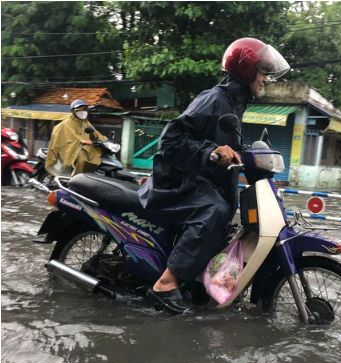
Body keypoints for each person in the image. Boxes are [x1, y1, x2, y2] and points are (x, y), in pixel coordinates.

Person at [138, 37, 290, 314]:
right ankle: (165, 284)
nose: (266, 79)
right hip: (175, 182)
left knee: (229, 217)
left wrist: (248, 156)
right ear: (246, 71)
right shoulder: (214, 99)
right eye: (262, 72)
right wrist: (210, 152)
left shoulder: (235, 104)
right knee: (215, 209)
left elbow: (224, 143)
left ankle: (198, 283)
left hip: (199, 182)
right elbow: (169, 142)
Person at [45, 99, 107, 176]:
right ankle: (76, 180)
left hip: (83, 147)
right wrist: (82, 141)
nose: (83, 112)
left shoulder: (86, 123)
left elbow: (96, 133)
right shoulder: (67, 123)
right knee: (82, 159)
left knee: (95, 156)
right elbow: (71, 136)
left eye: (85, 110)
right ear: (74, 111)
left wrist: (106, 141)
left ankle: (88, 177)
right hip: (68, 148)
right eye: (79, 110)